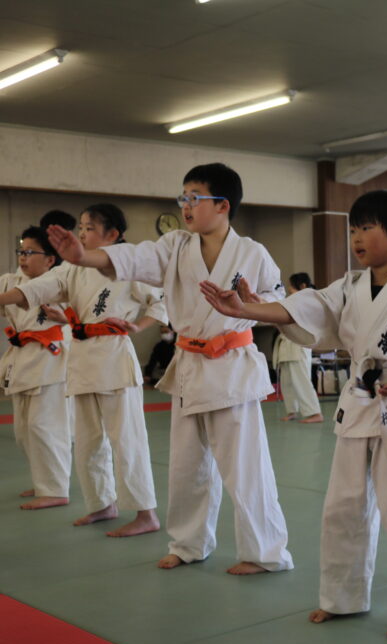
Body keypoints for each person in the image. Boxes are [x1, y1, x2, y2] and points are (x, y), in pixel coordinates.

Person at [200, 189, 387, 640]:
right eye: (353, 229)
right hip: (358, 405)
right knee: (342, 508)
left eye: (367, 228)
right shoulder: (350, 287)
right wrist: (248, 309)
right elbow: (309, 307)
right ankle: (343, 598)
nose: (356, 237)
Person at [45, 162, 293, 575]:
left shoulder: (252, 253)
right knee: (186, 466)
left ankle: (265, 553)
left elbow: (278, 300)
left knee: (246, 468)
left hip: (231, 368)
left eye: (195, 197)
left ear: (223, 205)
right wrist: (85, 256)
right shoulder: (175, 245)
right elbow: (135, 257)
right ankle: (188, 544)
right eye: (183, 197)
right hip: (189, 366)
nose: (186, 206)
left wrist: (252, 304)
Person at [5, 204, 166, 537]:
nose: (81, 233)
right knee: (88, 441)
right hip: (81, 358)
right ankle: (102, 503)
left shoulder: (128, 264)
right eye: (80, 227)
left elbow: (162, 301)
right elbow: (37, 288)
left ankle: (146, 513)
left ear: (113, 234)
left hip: (114, 357)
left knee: (127, 439)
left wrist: (139, 327)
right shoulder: (72, 268)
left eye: (89, 228)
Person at [1, 227, 72, 510]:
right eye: (21, 251)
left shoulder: (61, 283)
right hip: (21, 359)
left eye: (30, 252)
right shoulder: (11, 281)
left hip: (50, 360)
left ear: (50, 259)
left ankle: (56, 489)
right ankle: (44, 482)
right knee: (23, 430)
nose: (23, 257)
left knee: (44, 426)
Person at [272, 272, 323, 423]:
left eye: (291, 286)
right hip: (287, 343)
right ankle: (292, 410)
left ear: (302, 286)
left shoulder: (311, 299)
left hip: (300, 343)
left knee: (302, 380)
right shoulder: (293, 300)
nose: (289, 289)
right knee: (287, 381)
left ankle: (315, 412)